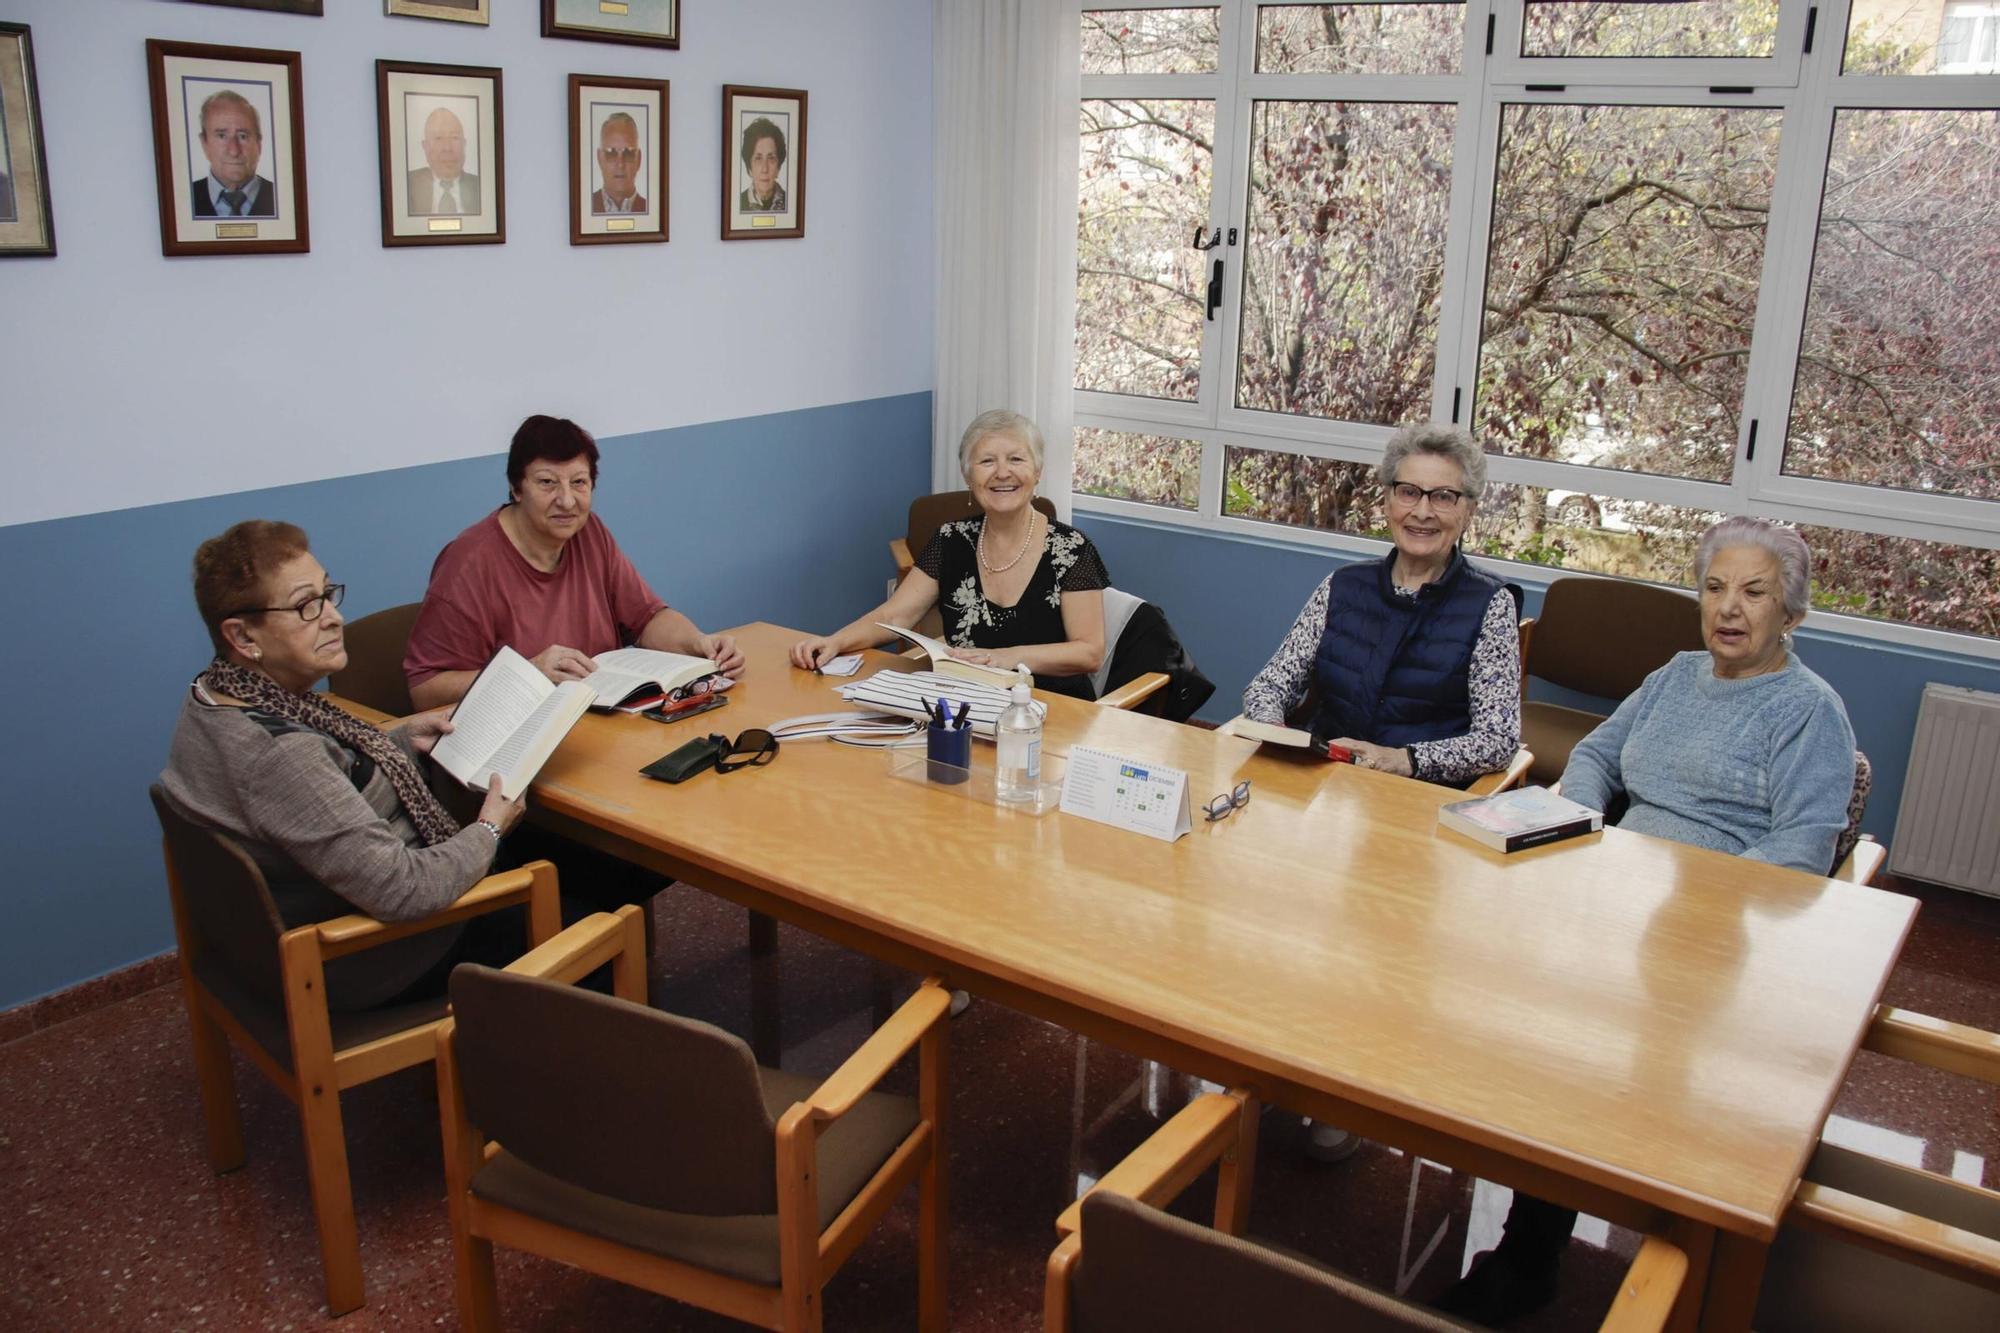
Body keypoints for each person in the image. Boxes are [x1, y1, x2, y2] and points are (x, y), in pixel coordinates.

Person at [1441, 515, 1857, 1326]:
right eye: (1713, 588)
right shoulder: (1674, 673)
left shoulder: (1810, 713)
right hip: (1617, 902)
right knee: (1533, 1016)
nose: (1728, 609)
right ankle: (1535, 1241)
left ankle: (1564, 1250)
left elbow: (1803, 855)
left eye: (1753, 592)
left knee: (1596, 1049)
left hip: (1720, 939)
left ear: (1792, 615)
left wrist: (1688, 900)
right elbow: (1596, 754)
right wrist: (1585, 821)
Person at [158, 521, 525, 1012]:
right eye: (306, 606)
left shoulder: (213, 699)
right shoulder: (280, 755)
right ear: (242, 635)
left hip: (284, 935)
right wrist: (489, 829)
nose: (333, 617)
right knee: (580, 897)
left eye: (327, 593)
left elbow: (311, 793)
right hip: (369, 959)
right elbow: (404, 891)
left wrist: (396, 740)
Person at [404, 414, 743, 711]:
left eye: (578, 483)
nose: (566, 501)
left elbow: (648, 618)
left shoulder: (589, 532)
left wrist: (698, 643)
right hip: (515, 742)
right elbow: (425, 690)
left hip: (598, 722)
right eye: (547, 482)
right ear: (516, 487)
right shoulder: (469, 563)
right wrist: (527, 674)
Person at [1243, 423, 1521, 785]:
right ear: (1388, 501)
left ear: (1468, 511)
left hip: (1417, 795)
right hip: (1325, 783)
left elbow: (1498, 741)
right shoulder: (1341, 586)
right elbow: (1269, 686)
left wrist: (1404, 759)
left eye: (1443, 497)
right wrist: (1279, 735)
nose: (1422, 511)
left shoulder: (1491, 605)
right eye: (1409, 492)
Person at [791, 409, 1110, 700]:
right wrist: (834, 641)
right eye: (986, 461)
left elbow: (1089, 652)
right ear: (969, 477)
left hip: (1053, 708)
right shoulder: (950, 540)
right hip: (966, 703)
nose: (1001, 473)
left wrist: (1005, 658)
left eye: (1016, 459)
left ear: (1037, 471)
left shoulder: (1072, 548)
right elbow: (894, 616)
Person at [189, 90, 276, 219]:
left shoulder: (281, 197)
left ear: (259, 144)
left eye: (243, 136)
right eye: (222, 136)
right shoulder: (184, 198)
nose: (234, 151)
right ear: (204, 143)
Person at [407, 106, 479, 217]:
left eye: (454, 137)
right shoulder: (408, 185)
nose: (447, 148)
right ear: (425, 147)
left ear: (464, 144)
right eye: (438, 138)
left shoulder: (481, 187)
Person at [591, 112, 646, 214]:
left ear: (639, 159)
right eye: (611, 153)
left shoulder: (651, 210)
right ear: (599, 158)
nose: (620, 164)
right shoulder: (586, 208)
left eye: (628, 153)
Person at [738, 117, 788, 212]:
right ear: (749, 168)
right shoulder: (738, 203)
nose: (765, 169)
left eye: (771, 158)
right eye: (758, 158)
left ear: (778, 167)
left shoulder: (790, 203)